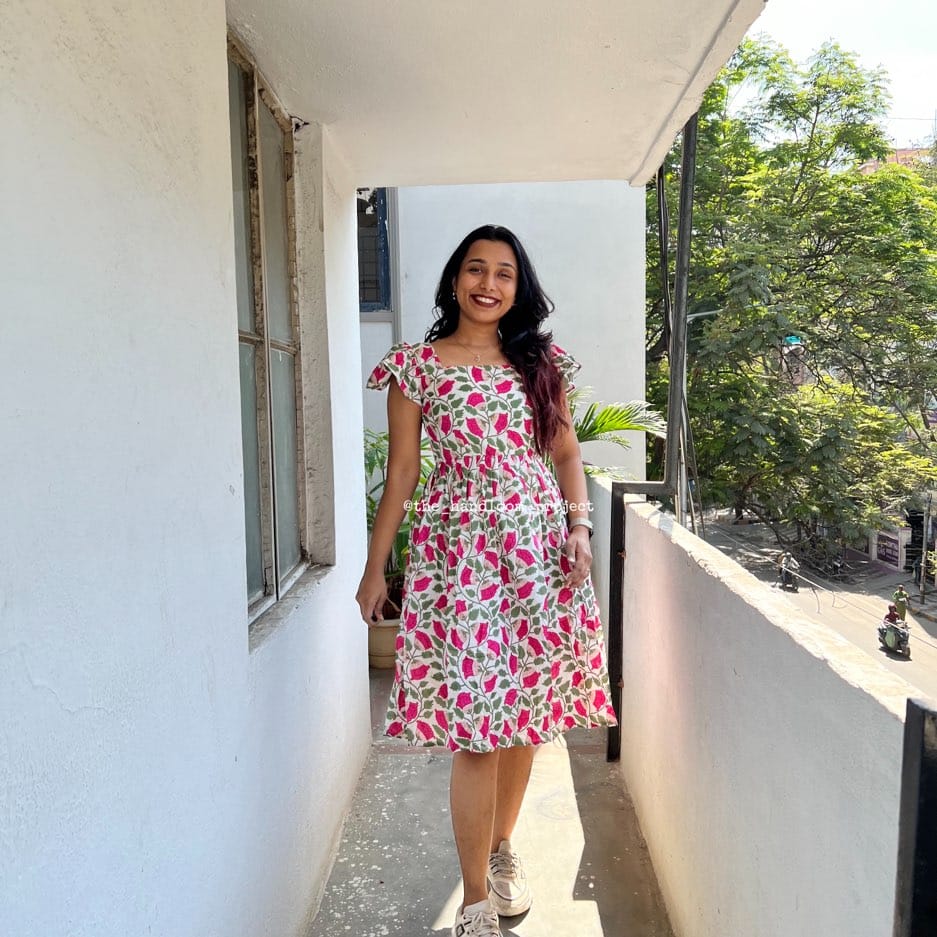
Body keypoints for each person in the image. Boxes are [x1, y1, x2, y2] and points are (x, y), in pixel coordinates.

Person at [356, 224, 617, 937]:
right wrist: (376, 567)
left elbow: (566, 453)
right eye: (476, 269)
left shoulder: (539, 361)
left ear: (517, 287)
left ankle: (503, 849)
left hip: (537, 557)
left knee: (523, 714)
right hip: (460, 560)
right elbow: (402, 474)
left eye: (504, 273)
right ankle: (474, 899)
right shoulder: (415, 367)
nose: (488, 284)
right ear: (454, 280)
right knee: (476, 731)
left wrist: (579, 528)